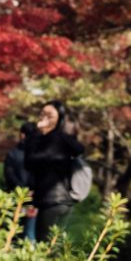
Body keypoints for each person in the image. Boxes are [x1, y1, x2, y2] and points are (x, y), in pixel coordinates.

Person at [21, 100, 86, 243]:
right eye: (41, 114)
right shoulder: (62, 139)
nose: (43, 118)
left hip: (51, 201)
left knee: (46, 246)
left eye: (48, 115)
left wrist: (36, 133)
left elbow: (29, 162)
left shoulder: (51, 139)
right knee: (55, 246)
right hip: (64, 201)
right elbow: (79, 148)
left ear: (59, 118)